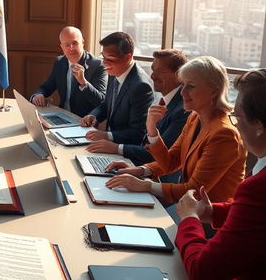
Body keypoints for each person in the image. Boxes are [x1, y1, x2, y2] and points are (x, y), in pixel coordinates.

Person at [175, 68, 266, 280]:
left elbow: (202, 275)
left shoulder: (259, 187)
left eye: (238, 117)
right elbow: (255, 220)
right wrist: (212, 211)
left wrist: (189, 219)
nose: (236, 124)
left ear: (259, 125)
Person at [105, 56, 245, 205]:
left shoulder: (224, 134)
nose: (182, 92)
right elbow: (171, 162)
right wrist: (140, 169)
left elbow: (195, 191)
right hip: (188, 207)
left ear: (214, 92)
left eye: (190, 86)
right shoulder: (194, 118)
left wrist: (144, 185)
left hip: (208, 220)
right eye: (182, 85)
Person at [86, 49, 190, 165]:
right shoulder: (166, 101)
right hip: (139, 166)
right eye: (153, 70)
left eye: (159, 71)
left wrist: (117, 148)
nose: (152, 76)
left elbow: (160, 155)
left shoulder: (183, 111)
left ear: (179, 75)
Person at [80, 31, 153, 144]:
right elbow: (107, 104)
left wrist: (106, 136)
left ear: (127, 57)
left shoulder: (141, 87)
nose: (104, 63)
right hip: (108, 144)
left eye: (110, 59)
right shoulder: (114, 72)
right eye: (103, 57)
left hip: (124, 152)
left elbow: (138, 134)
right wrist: (93, 115)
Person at [30, 26, 107, 117]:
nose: (71, 48)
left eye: (75, 43)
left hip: (83, 121)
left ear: (82, 42)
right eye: (67, 45)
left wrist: (83, 83)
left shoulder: (97, 65)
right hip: (62, 116)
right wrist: (38, 95)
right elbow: (47, 87)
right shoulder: (60, 62)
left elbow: (101, 101)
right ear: (62, 47)